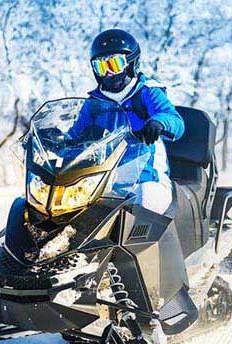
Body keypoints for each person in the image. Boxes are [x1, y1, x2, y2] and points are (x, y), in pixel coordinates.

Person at [66, 29, 185, 214]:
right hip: (102, 180)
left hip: (146, 178)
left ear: (130, 63)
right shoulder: (94, 103)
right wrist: (53, 140)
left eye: (114, 64)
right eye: (101, 67)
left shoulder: (147, 91)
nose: (109, 73)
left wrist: (158, 123)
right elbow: (75, 135)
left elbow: (174, 120)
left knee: (144, 204)